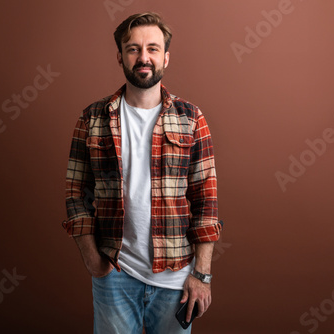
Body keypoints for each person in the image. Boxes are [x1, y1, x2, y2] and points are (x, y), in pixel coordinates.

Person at [63, 12, 222, 334]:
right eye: (133, 49)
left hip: (176, 277)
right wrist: (93, 260)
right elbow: (76, 193)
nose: (143, 57)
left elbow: (206, 201)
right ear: (120, 56)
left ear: (166, 56)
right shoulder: (93, 118)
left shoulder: (191, 118)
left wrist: (201, 274)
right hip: (115, 274)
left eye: (152, 48)